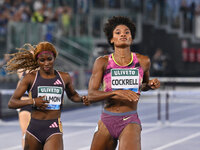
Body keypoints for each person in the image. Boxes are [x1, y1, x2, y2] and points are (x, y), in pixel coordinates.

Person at [88, 16, 160, 150]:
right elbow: (91, 95)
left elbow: (142, 85)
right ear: (111, 39)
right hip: (107, 119)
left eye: (127, 32)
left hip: (130, 119)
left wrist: (149, 85)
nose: (123, 34)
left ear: (131, 38)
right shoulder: (102, 62)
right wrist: (116, 92)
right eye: (118, 32)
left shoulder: (143, 61)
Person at [6, 41, 89, 150]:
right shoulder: (29, 77)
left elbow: (73, 95)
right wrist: (33, 101)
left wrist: (82, 99)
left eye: (49, 59)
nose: (46, 63)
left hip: (53, 128)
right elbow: (12, 103)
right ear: (37, 60)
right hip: (34, 129)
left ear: (54, 58)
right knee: (24, 132)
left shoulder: (64, 77)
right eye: (42, 60)